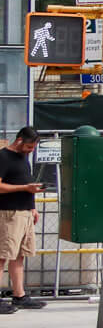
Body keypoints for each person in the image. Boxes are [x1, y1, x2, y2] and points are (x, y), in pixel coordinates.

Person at [0, 128, 49, 313]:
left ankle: (19, 295)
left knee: (19, 255)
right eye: (29, 146)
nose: (31, 150)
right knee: (2, 256)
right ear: (19, 140)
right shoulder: (4, 157)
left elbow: (25, 182)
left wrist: (32, 206)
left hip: (24, 212)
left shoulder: (23, 158)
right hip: (8, 213)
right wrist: (24, 188)